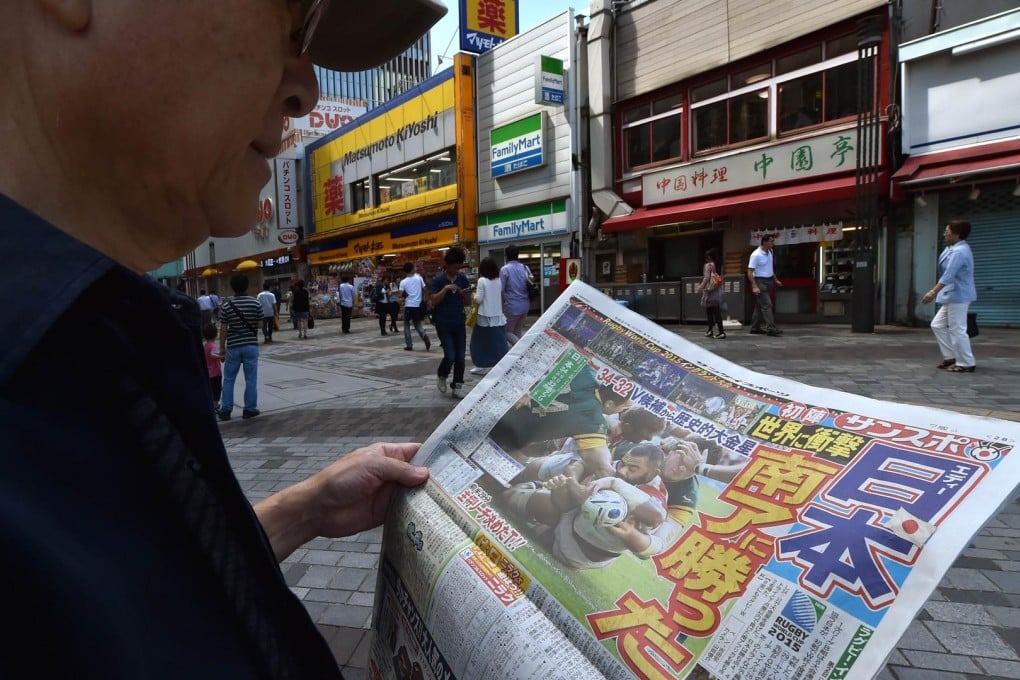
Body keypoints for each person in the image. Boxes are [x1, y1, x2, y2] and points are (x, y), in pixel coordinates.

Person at [0, 1, 443, 675]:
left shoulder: (94, 344)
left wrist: (302, 510)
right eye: (291, 22)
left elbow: (132, 597)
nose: (306, 89)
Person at [502, 444, 668, 569]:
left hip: (580, 552)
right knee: (511, 495)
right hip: (567, 524)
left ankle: (537, 513)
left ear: (652, 474)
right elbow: (579, 464)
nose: (623, 471)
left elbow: (655, 517)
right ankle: (530, 495)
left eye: (632, 468)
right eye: (623, 464)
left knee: (542, 503)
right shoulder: (615, 468)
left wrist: (613, 482)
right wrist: (571, 482)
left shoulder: (655, 494)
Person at [923, 220, 977, 373]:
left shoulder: (960, 252)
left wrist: (932, 292)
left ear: (957, 234)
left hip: (959, 294)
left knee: (957, 329)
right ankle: (950, 357)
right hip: (952, 295)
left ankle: (966, 362)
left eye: (947, 231)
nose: (945, 233)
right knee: (937, 325)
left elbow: (948, 275)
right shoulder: (954, 249)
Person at [218, 274, 264, 421]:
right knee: (251, 378)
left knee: (229, 379)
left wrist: (222, 348)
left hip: (233, 347)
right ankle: (249, 409)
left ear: (232, 287)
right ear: (247, 286)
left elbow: (223, 329)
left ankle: (225, 410)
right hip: (251, 345)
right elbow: (261, 324)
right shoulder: (255, 303)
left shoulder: (227, 306)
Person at [430, 247, 472, 398]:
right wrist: (446, 289)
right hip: (443, 323)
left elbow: (468, 302)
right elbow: (433, 301)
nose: (457, 270)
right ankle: (442, 375)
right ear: (447, 265)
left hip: (459, 322)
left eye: (459, 267)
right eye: (455, 267)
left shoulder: (462, 279)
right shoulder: (438, 280)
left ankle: (457, 385)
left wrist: (465, 294)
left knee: (461, 356)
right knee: (451, 355)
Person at [469, 257, 509, 375]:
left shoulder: (482, 280)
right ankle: (502, 363)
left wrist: (473, 295)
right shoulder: (498, 280)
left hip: (484, 316)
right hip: (497, 315)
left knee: (478, 343)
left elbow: (479, 299)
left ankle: (480, 364)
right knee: (498, 342)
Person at [747, 234, 783, 336]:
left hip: (769, 280)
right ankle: (771, 328)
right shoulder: (756, 255)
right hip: (759, 281)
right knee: (767, 304)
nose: (773, 243)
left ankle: (754, 327)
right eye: (771, 241)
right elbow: (750, 272)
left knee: (760, 305)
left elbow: (770, 267)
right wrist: (754, 286)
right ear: (765, 242)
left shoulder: (770, 252)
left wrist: (775, 280)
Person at [500, 244, 533, 345]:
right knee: (517, 331)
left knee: (507, 332)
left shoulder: (505, 269)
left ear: (506, 256)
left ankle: (522, 350)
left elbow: (501, 288)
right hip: (525, 304)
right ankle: (521, 352)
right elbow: (531, 281)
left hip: (512, 305)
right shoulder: (525, 268)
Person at [399, 262, 432, 352]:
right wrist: (426, 300)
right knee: (417, 323)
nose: (415, 268)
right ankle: (424, 336)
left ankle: (409, 345)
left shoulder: (403, 282)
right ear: (411, 269)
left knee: (406, 325)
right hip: (418, 305)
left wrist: (405, 296)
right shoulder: (419, 278)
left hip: (409, 305)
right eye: (414, 267)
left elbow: (400, 295)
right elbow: (425, 289)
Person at [696, 247, 725, 339]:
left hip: (709, 291)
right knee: (716, 312)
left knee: (710, 312)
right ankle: (715, 331)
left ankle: (715, 331)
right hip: (716, 290)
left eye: (706, 257)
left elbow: (706, 278)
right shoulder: (719, 265)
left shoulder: (708, 265)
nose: (706, 258)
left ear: (709, 257)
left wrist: (699, 288)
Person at [202, 322, 223, 414]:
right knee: (217, 389)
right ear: (215, 334)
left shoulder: (205, 345)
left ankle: (212, 405)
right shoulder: (213, 345)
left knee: (211, 390)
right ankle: (216, 406)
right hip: (216, 372)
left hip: (209, 372)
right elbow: (213, 355)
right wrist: (222, 357)